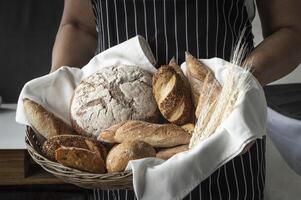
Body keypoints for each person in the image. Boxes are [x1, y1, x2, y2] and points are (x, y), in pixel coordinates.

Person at [51, 0, 301, 199]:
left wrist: (237, 86)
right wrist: (52, 94)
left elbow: (291, 30)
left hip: (221, 138)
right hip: (119, 156)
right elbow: (78, 25)